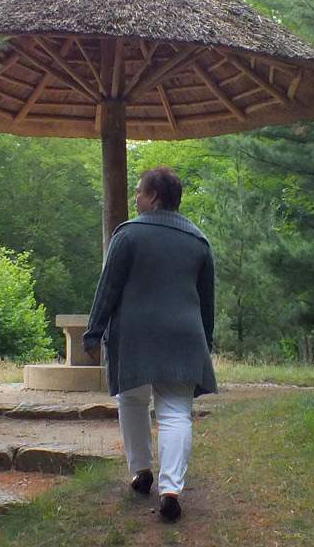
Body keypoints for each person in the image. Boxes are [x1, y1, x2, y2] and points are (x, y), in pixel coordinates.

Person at [83, 166, 216, 522]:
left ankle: (141, 472)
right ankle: (171, 489)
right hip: (184, 337)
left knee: (132, 399)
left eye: (140, 192)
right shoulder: (199, 240)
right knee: (175, 413)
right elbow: (207, 300)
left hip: (135, 335)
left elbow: (108, 288)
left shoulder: (127, 235)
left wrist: (93, 331)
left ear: (154, 197)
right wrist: (207, 341)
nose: (136, 198)